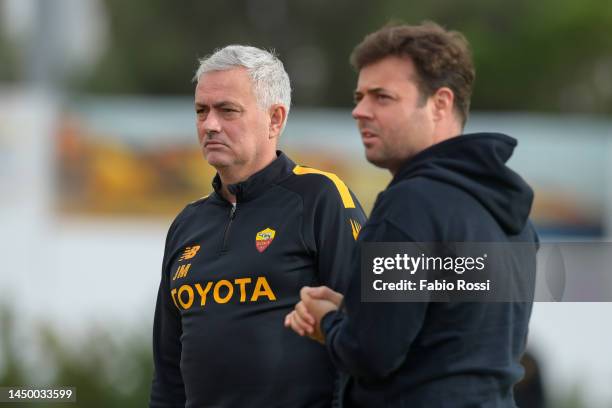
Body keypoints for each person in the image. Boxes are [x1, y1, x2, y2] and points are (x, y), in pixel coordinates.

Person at [285, 22, 539, 407]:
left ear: (440, 104)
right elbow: (451, 336)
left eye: (381, 97)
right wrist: (355, 311)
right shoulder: (511, 215)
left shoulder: (410, 207)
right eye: (359, 96)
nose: (359, 111)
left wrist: (326, 321)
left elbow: (371, 353)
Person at [150, 45, 367, 408]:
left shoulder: (320, 197)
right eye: (201, 111)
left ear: (275, 119)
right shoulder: (187, 223)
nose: (210, 125)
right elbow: (168, 371)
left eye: (227, 110)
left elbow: (366, 331)